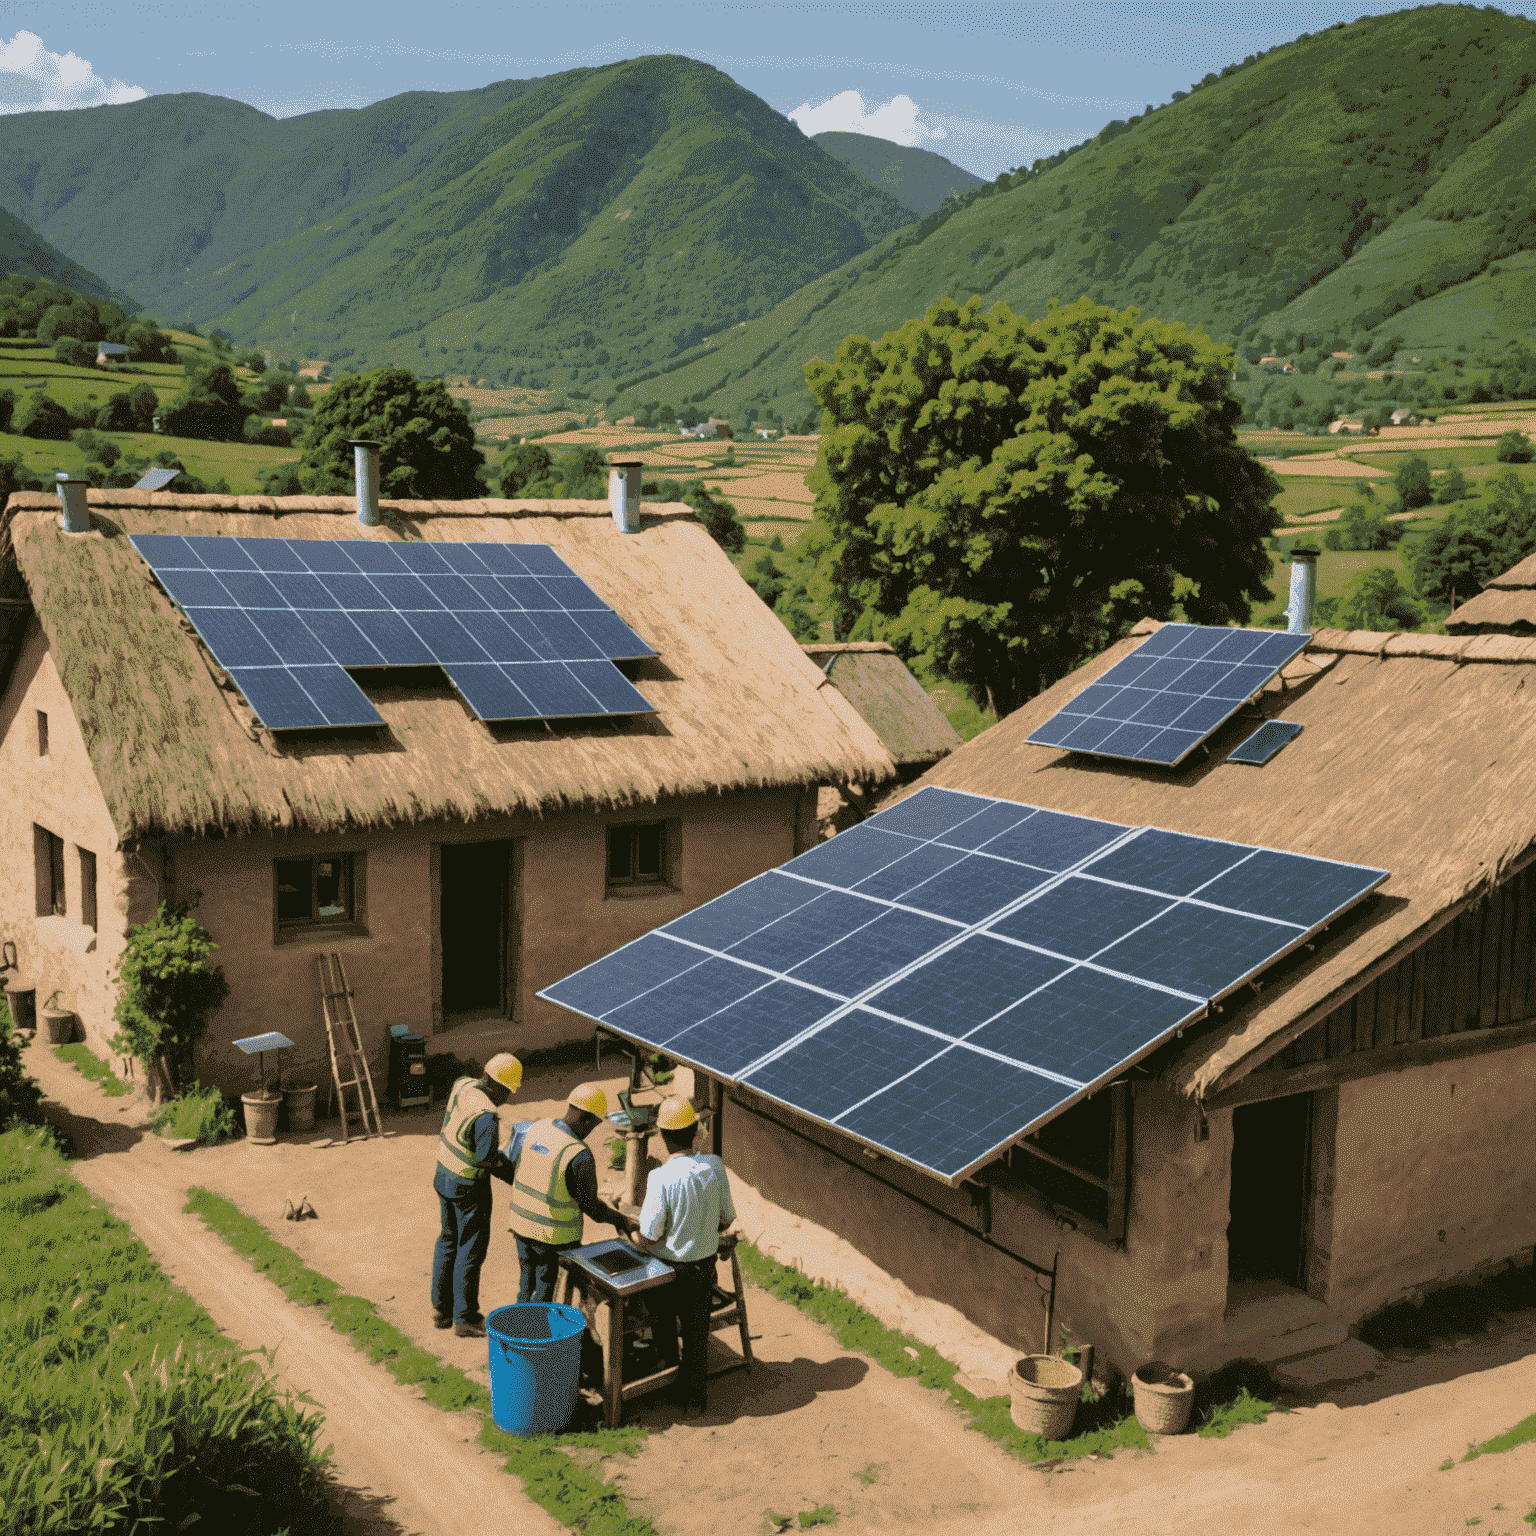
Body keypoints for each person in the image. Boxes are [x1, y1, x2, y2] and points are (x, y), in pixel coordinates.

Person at [632, 1095, 735, 1414]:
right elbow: (727, 1218)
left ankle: (668, 1371)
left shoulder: (660, 1177)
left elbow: (650, 1234)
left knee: (662, 1321)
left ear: (662, 1137)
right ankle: (695, 1397)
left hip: (668, 1270)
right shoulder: (714, 1166)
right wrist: (701, 1228)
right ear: (694, 1131)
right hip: (703, 1268)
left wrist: (634, 1235)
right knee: (696, 1331)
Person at [506, 1082, 636, 1303]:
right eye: (594, 1124)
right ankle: (539, 1336)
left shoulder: (535, 1128)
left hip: (520, 1226)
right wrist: (620, 1220)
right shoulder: (578, 1154)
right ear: (586, 1118)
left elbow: (511, 1162)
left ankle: (520, 1334)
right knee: (546, 1293)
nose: (592, 1130)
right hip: (553, 1237)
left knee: (526, 1287)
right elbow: (591, 1207)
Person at [432, 1052, 522, 1339]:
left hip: (443, 1174)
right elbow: (487, 1160)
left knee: (448, 1239)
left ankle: (442, 1309)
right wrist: (515, 1175)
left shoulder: (463, 1085)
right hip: (468, 1186)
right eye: (508, 1092)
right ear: (497, 1086)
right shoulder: (487, 1117)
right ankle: (465, 1318)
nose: (507, 1098)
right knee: (470, 1249)